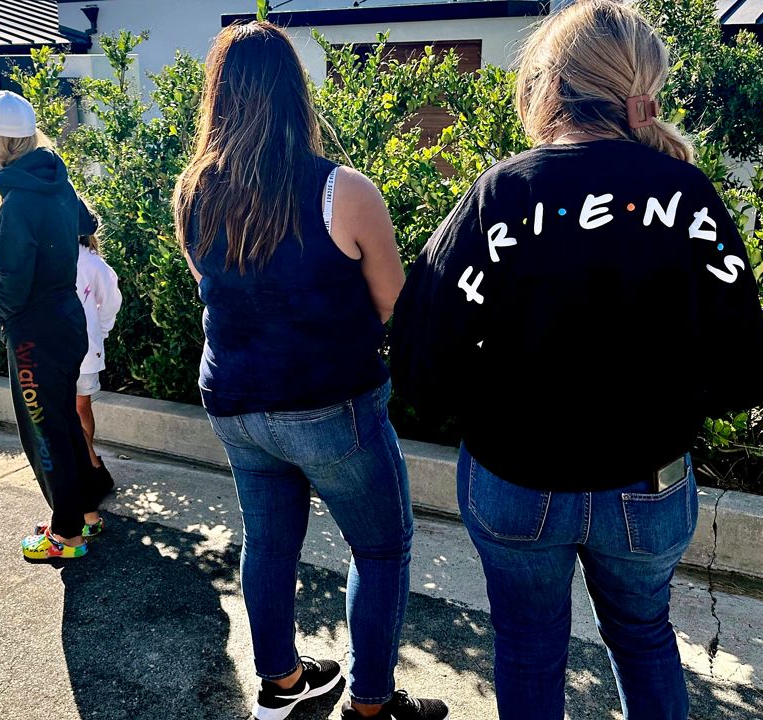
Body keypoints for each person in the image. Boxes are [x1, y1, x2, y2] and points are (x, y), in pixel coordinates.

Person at [389, 2, 763, 718]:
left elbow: (422, 358)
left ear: (549, 83)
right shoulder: (688, 195)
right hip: (648, 482)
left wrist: (484, 400)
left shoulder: (503, 192)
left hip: (514, 478)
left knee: (529, 644)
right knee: (644, 636)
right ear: (641, 87)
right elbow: (743, 368)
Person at [174, 22, 449, 720]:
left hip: (234, 400)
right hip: (331, 405)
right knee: (380, 548)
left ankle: (282, 683)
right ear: (295, 93)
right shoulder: (343, 192)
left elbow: (213, 285)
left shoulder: (193, 191)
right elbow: (392, 304)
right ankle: (371, 706)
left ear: (218, 96)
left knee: (268, 543)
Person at [0, 90, 106, 560]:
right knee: (63, 420)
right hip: (68, 319)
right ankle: (86, 513)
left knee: (44, 431)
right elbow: (88, 221)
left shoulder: (17, 202)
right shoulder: (56, 178)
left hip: (34, 333)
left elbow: (13, 282)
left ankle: (66, 536)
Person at [72, 199, 122, 497]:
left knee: (78, 407)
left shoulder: (92, 263)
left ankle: (87, 466)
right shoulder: (59, 258)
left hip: (83, 349)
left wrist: (100, 332)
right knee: (75, 408)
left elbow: (110, 302)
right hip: (69, 349)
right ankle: (89, 465)